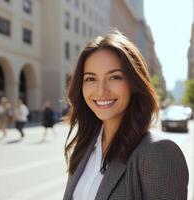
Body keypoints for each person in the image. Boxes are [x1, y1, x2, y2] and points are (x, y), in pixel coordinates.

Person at [63, 29, 189, 200]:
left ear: (133, 83)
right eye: (91, 79)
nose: (101, 91)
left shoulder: (158, 153)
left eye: (114, 77)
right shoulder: (85, 146)